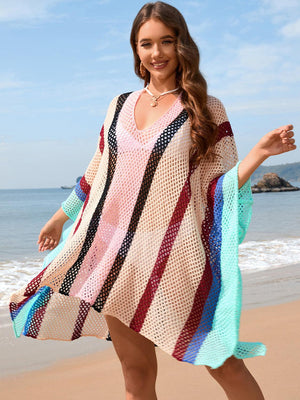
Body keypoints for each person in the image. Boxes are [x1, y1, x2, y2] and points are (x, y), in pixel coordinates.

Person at [9, 2, 296, 400]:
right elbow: (98, 170)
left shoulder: (206, 108)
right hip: (116, 257)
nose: (157, 53)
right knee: (136, 372)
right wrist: (60, 217)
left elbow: (218, 187)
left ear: (183, 45)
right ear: (136, 50)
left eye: (167, 41)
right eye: (146, 44)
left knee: (221, 360)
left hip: (176, 258)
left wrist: (259, 154)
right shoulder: (120, 104)